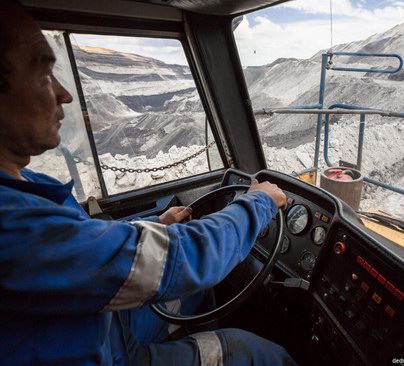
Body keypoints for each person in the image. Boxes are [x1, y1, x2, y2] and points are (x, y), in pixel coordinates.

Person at [0, 1, 297, 365]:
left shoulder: (26, 184)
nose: (65, 94)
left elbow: (76, 241)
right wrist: (260, 201)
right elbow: (188, 258)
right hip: (101, 354)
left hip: (95, 321)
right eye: (45, 76)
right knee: (256, 352)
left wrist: (153, 225)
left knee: (196, 293)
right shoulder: (10, 223)